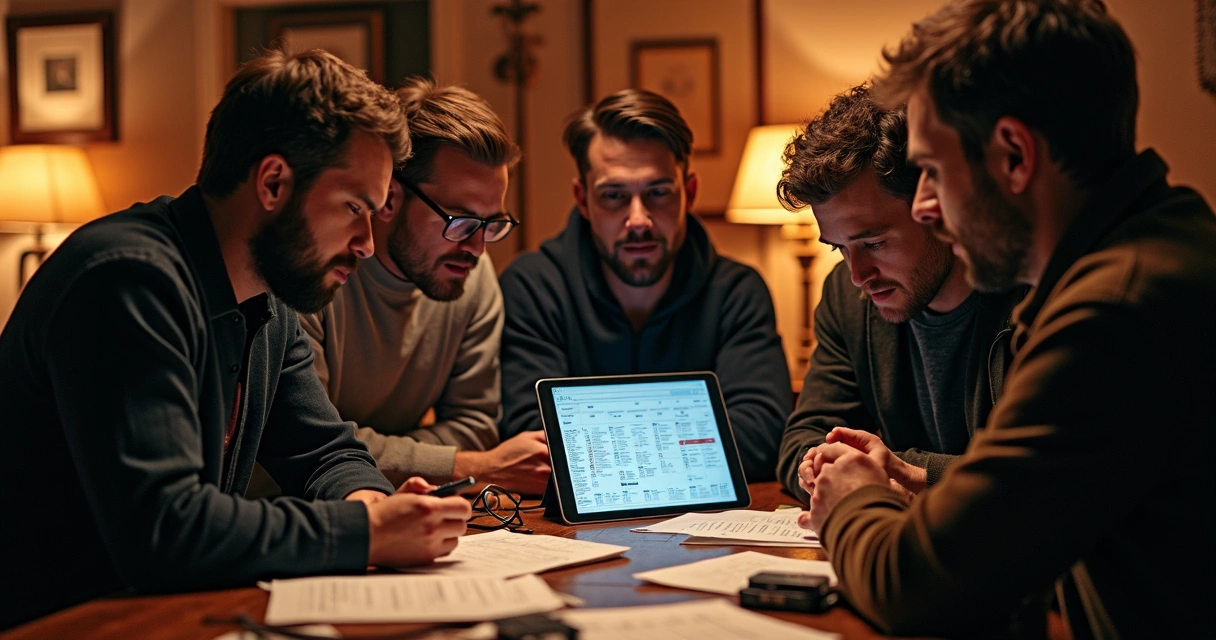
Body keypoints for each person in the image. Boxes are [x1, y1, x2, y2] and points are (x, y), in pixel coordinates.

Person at [0, 50, 471, 629]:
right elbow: (168, 528)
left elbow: (322, 450)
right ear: (273, 182)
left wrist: (372, 502)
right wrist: (369, 532)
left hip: (166, 610)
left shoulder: (266, 298)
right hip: (61, 620)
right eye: (354, 207)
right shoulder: (124, 279)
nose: (367, 243)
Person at [798, 1, 1216, 637]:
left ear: (1015, 156)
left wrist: (854, 500)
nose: (929, 208)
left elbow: (914, 586)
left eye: (934, 172)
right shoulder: (1169, 241)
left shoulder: (1113, 312)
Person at [499, 89, 790, 481]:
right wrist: (695, 440)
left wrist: (602, 441)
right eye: (614, 196)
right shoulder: (533, 286)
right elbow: (533, 439)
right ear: (582, 200)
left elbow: (759, 438)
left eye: (658, 193)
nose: (639, 219)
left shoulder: (737, 292)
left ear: (688, 193)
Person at [775, 85, 1027, 505]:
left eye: (873, 243)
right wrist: (821, 465)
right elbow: (802, 438)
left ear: (934, 206)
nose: (857, 275)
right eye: (839, 248)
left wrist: (905, 470)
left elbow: (1039, 476)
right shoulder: (844, 296)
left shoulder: (1031, 296)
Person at [300, 79, 551, 496]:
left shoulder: (473, 275)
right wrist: (475, 467)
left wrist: (402, 461)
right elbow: (311, 442)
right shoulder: (316, 274)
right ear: (390, 199)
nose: (476, 248)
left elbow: (475, 424)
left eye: (493, 225)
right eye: (460, 221)